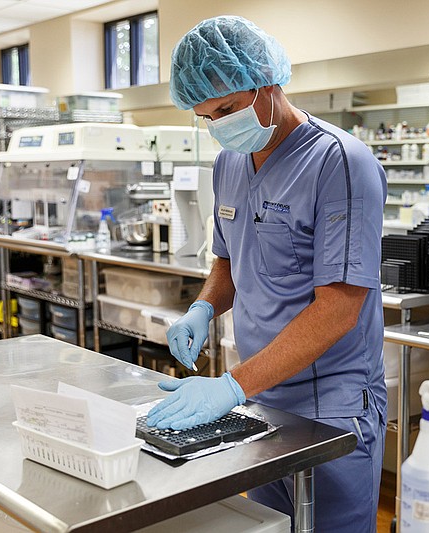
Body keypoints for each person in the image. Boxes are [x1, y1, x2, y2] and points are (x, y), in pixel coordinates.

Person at [145, 16, 388, 532]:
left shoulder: (340, 162)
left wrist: (229, 386)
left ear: (268, 83)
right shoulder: (229, 163)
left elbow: (341, 307)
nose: (219, 125)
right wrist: (203, 307)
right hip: (259, 397)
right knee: (271, 527)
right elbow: (229, 261)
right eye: (206, 116)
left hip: (332, 405)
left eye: (227, 108)